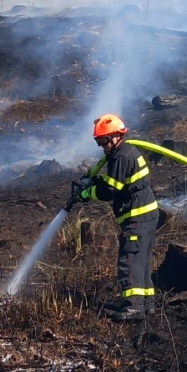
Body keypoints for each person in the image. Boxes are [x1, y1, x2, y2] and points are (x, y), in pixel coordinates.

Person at [67, 114, 159, 322]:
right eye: (99, 142)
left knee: (130, 260)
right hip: (147, 215)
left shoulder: (121, 157)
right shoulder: (125, 152)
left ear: (116, 136)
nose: (102, 147)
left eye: (103, 141)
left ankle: (134, 307)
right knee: (142, 261)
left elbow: (110, 190)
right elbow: (113, 181)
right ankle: (147, 305)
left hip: (137, 217)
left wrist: (86, 194)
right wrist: (96, 180)